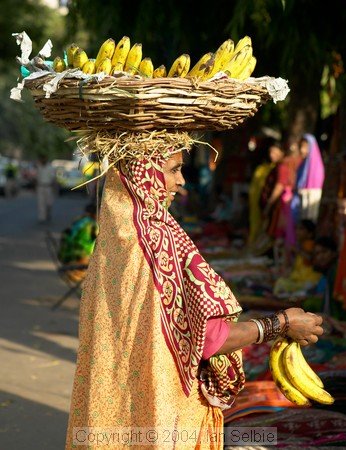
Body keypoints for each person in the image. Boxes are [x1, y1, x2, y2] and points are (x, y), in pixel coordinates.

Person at [65, 144, 324, 450]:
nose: (182, 181)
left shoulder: (117, 233)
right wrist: (281, 323)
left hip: (119, 409)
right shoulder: (157, 240)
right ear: (144, 173)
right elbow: (210, 338)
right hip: (166, 413)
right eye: (174, 169)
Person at [273, 219, 321, 295]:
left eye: (301, 229)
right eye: (297, 229)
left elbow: (310, 259)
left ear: (310, 234)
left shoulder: (309, 245)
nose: (297, 232)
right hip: (301, 281)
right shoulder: (301, 247)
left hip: (309, 282)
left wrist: (295, 251)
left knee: (280, 284)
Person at [57, 203, 99, 282]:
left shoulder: (79, 220)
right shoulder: (91, 225)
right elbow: (90, 245)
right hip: (79, 258)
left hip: (67, 254)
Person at [291, 133, 325, 225]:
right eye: (301, 146)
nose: (302, 150)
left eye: (305, 147)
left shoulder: (317, 168)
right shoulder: (302, 166)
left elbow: (314, 196)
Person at [35, 155, 57, 223]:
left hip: (48, 187)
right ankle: (42, 218)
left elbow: (53, 178)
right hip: (40, 186)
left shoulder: (50, 167)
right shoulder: (39, 167)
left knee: (49, 203)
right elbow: (37, 177)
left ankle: (48, 212)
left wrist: (54, 187)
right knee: (41, 203)